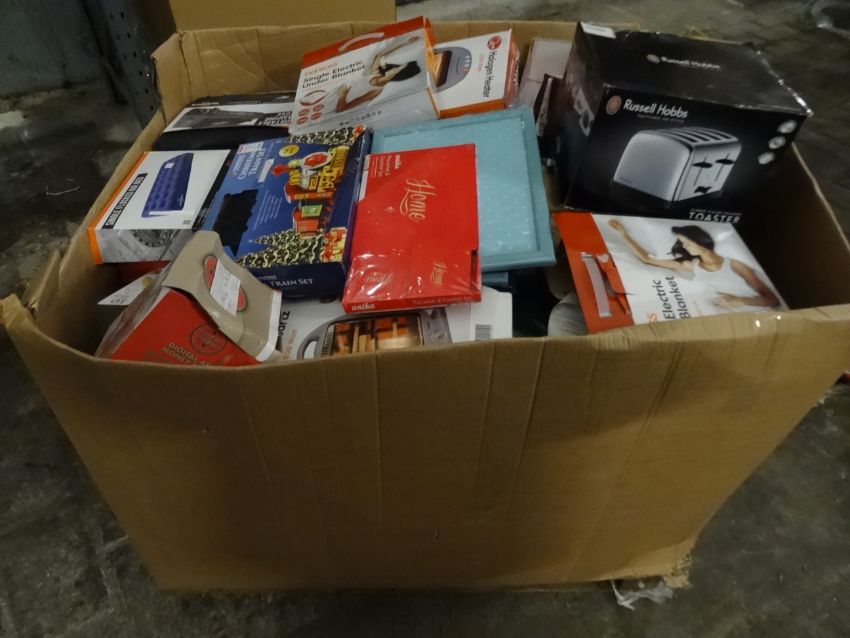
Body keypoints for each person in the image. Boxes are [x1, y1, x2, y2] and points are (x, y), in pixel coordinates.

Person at [607, 219, 781, 309]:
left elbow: (772, 300)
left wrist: (740, 301)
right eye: (681, 243)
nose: (683, 247)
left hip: (750, 311)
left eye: (685, 242)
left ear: (699, 240)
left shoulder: (734, 265)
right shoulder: (691, 265)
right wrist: (623, 234)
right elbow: (648, 260)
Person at [335, 35, 423, 112]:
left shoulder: (377, 89)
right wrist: (406, 43)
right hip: (345, 82)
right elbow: (380, 56)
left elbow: (342, 109)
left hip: (344, 93)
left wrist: (342, 96)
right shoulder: (375, 72)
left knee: (379, 80)